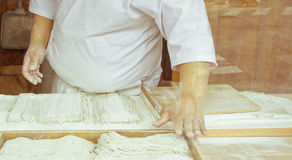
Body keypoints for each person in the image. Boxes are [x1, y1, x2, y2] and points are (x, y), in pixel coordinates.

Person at [22, 0, 217, 138]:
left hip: (132, 98)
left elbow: (191, 31)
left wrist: (191, 97)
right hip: (65, 90)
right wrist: (37, 43)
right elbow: (47, 3)